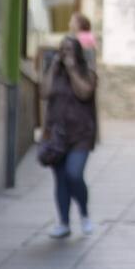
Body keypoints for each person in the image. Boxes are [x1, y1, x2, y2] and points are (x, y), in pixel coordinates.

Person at [40, 35, 98, 239]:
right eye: (62, 50)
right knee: (61, 179)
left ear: (78, 52)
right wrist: (54, 67)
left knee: (74, 174)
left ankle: (84, 213)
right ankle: (64, 222)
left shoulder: (87, 72)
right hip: (56, 135)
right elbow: (44, 92)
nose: (65, 54)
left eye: (69, 49)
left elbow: (84, 93)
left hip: (81, 134)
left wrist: (72, 69)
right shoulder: (55, 72)